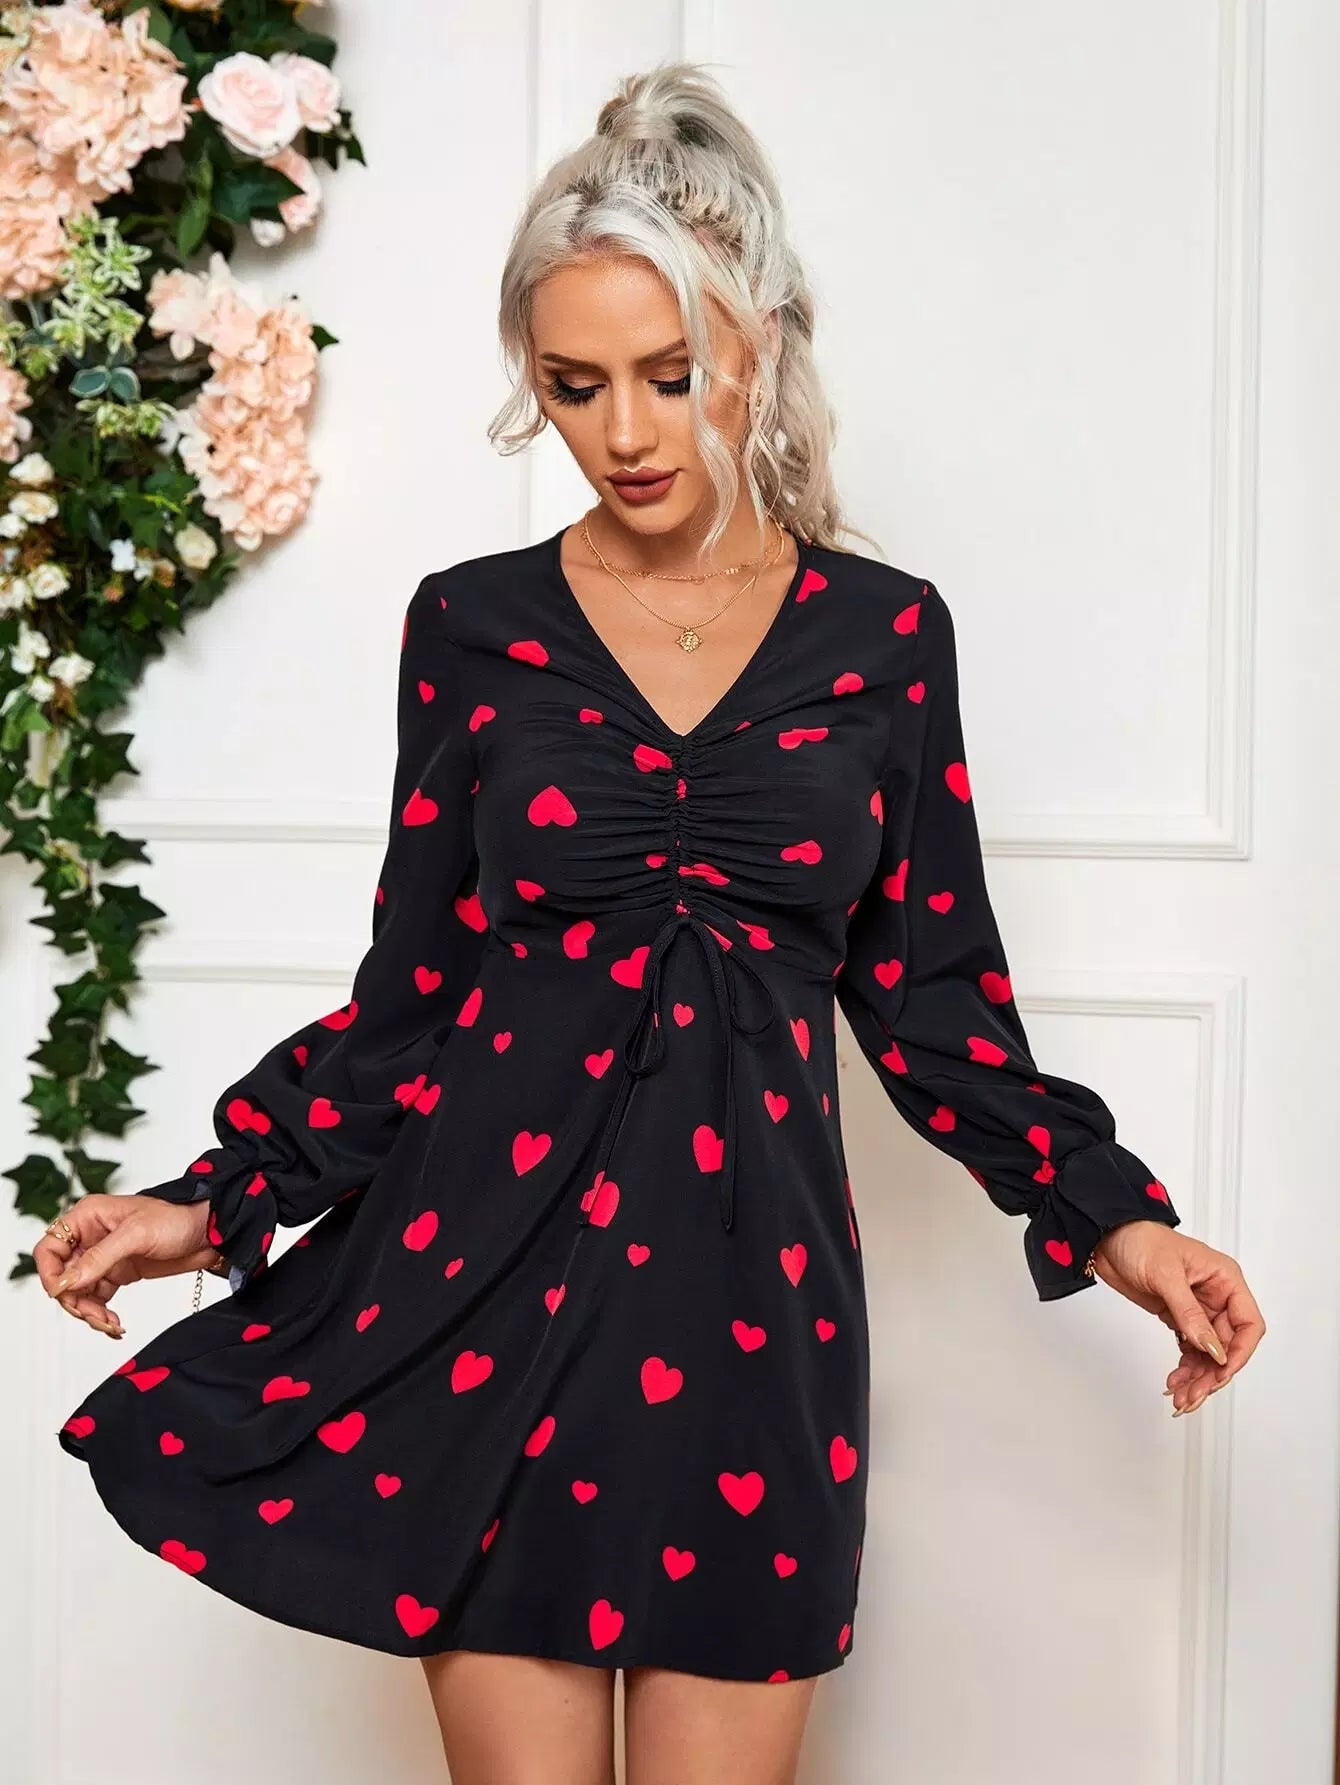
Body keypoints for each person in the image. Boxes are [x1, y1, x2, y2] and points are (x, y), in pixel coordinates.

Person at [36, 60, 1265, 1785]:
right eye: (575, 385)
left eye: (672, 376)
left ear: (757, 343)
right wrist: (208, 1205)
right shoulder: (472, 629)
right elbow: (416, 1000)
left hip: (754, 1328)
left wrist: (1119, 1224)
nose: (625, 432)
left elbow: (936, 1002)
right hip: (478, 1302)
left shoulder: (883, 640)